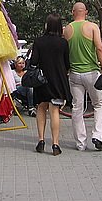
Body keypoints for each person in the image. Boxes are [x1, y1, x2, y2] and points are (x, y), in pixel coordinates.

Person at [63, 2, 102, 152]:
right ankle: (97, 135)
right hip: (91, 72)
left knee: (77, 108)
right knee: (99, 104)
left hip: (74, 74)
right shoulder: (92, 27)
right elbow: (100, 48)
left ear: (72, 12)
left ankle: (80, 143)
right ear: (86, 12)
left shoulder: (67, 29)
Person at [29, 13, 71, 156]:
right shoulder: (63, 43)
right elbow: (67, 64)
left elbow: (34, 61)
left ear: (47, 25)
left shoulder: (39, 41)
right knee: (54, 111)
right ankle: (55, 144)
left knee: (41, 108)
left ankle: (41, 141)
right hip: (57, 80)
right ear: (59, 26)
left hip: (41, 80)